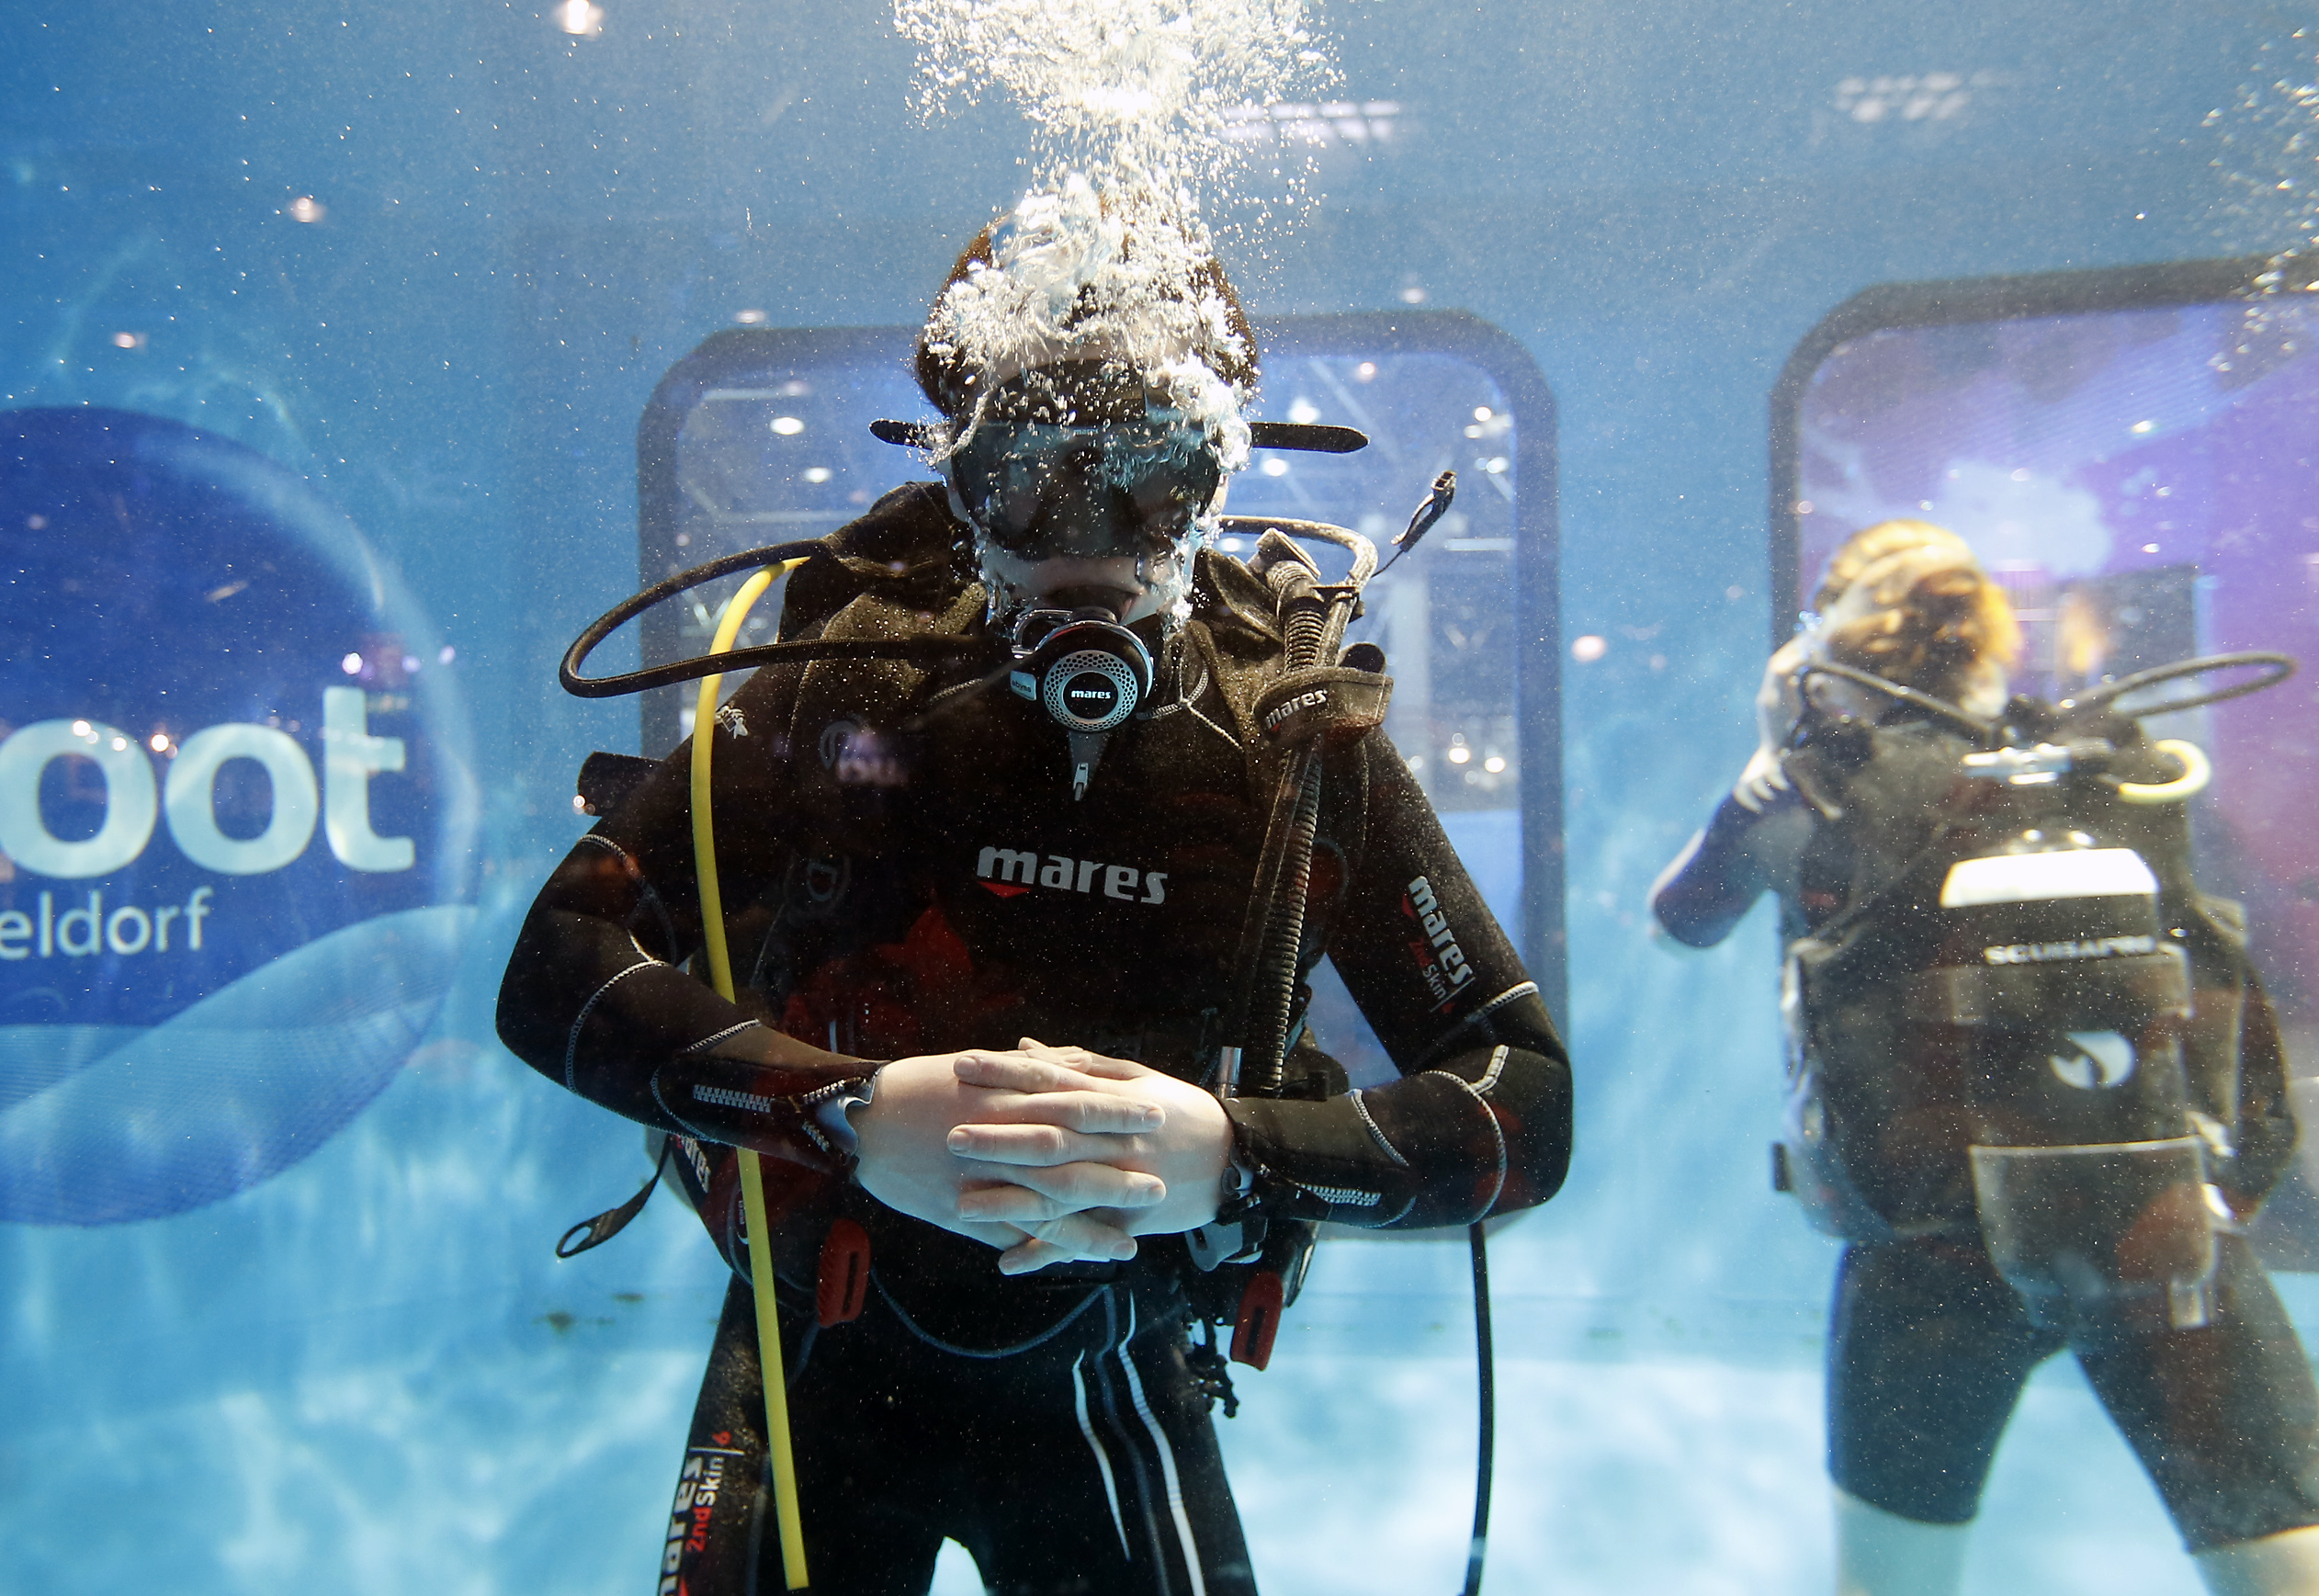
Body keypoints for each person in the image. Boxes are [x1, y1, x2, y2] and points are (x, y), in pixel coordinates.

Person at [498, 190, 1570, 1596]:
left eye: (1149, 476)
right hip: (815, 1345)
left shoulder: (1290, 735)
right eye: (1024, 473)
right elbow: (557, 962)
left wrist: (1232, 1149)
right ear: (957, 480)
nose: (1086, 533)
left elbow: (1522, 1102)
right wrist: (839, 1106)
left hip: (1118, 1380)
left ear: (1216, 477)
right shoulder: (852, 687)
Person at [1651, 519, 2319, 1596]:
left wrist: (1770, 749)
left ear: (1831, 648)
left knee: (1893, 1585)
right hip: (2160, 1228)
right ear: (1997, 639)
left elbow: (1679, 918)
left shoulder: (1822, 785)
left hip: (1929, 1258)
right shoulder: (2122, 776)